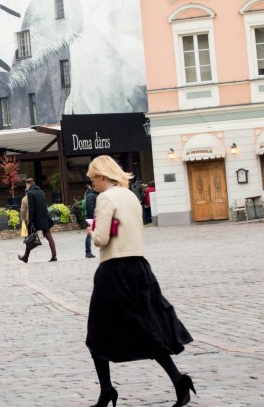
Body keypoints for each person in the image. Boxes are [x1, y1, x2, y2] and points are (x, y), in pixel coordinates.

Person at [85, 156, 194, 407]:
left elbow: (101, 238)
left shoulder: (106, 198)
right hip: (139, 268)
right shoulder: (130, 195)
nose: (93, 185)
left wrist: (91, 230)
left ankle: (106, 390)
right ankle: (178, 380)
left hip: (113, 269)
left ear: (103, 176)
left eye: (94, 180)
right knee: (146, 328)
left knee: (97, 333)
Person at [18, 177, 56, 263]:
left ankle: (25, 257)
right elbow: (44, 205)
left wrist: (30, 221)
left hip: (36, 220)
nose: (26, 187)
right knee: (49, 237)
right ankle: (54, 256)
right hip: (44, 217)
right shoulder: (41, 192)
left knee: (30, 239)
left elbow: (32, 208)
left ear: (28, 184)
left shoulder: (30, 194)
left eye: (26, 185)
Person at [84, 182, 98, 258]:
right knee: (89, 235)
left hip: (95, 217)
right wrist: (92, 219)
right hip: (92, 218)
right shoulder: (91, 195)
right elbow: (90, 208)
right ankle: (88, 252)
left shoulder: (94, 194)